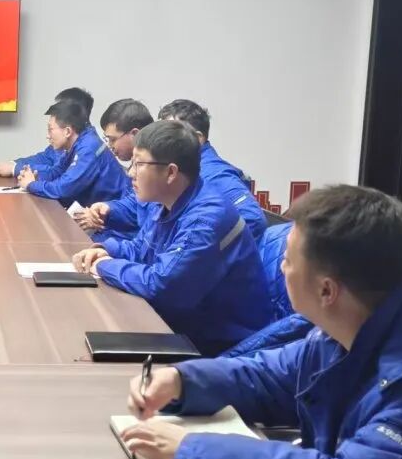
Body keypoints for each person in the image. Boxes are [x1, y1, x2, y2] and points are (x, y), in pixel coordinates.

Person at [120, 185, 402, 459]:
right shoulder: (364, 318)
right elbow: (273, 378)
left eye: (287, 260)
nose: (281, 267)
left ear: (326, 291)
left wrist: (190, 451)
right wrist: (183, 380)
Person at [72, 120, 270, 355]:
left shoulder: (205, 220)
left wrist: (104, 265)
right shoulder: (166, 202)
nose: (131, 173)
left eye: (139, 164)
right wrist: (106, 250)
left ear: (171, 172)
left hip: (217, 347)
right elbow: (141, 249)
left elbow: (160, 286)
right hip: (180, 325)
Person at [157, 99, 265, 242]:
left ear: (198, 138)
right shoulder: (181, 169)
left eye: (170, 134)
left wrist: (202, 247)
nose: (160, 141)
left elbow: (253, 219)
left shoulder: (214, 173)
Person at [17, 98, 131, 207]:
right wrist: (35, 178)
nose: (48, 136)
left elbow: (63, 189)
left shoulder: (88, 147)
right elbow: (56, 172)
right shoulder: (78, 143)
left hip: (114, 214)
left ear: (67, 131)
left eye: (50, 130)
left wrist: (31, 185)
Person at [74, 99, 156, 241]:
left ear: (135, 134)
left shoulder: (154, 169)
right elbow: (134, 204)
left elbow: (139, 223)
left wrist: (102, 221)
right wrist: (106, 210)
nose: (110, 146)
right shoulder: (137, 163)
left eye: (112, 139)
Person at [0, 87, 93, 178]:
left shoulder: (86, 147)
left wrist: (14, 169)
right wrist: (13, 164)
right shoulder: (67, 139)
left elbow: (57, 175)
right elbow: (44, 158)